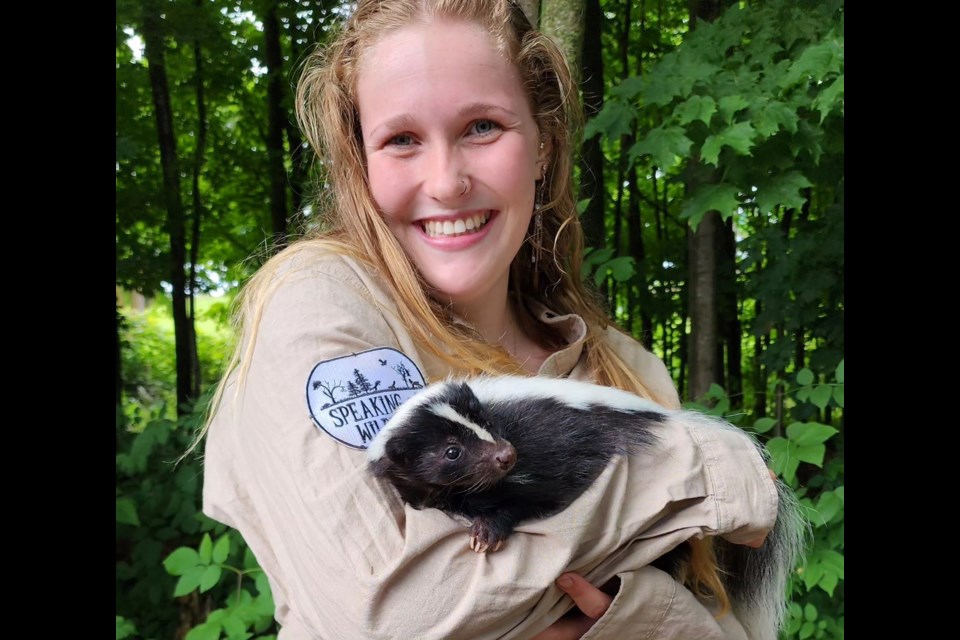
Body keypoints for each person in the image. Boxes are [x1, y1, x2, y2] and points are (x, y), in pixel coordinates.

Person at [199, 1, 780, 638]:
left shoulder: (625, 366)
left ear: (543, 145)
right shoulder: (323, 303)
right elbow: (394, 612)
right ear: (359, 164)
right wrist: (706, 466)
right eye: (401, 140)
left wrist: (628, 617)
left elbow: (728, 626)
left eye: (482, 127)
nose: (446, 182)